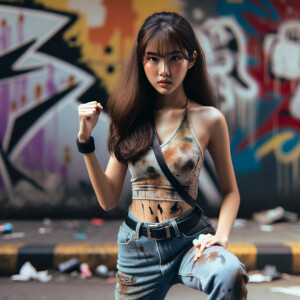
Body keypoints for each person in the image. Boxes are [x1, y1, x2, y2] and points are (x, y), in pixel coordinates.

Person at [77, 11, 248, 300]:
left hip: (189, 241)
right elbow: (107, 199)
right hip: (138, 249)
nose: (163, 70)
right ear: (142, 60)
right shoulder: (129, 117)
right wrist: (85, 141)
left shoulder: (209, 119)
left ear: (191, 59)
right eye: (153, 58)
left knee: (229, 273)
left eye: (174, 58)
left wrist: (222, 235)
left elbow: (231, 191)